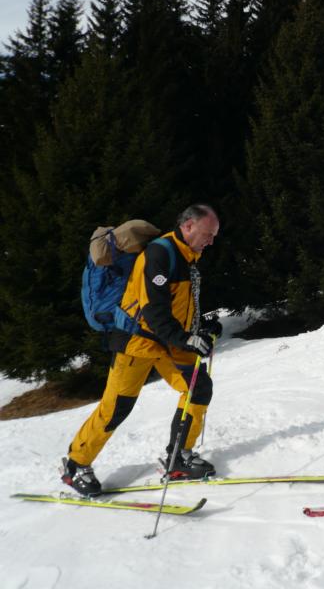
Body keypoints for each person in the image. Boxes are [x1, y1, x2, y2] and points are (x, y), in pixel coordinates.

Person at [61, 204, 224, 496]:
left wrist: (200, 328)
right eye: (207, 234)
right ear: (188, 226)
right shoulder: (160, 255)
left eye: (214, 235)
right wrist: (185, 339)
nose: (211, 241)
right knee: (116, 407)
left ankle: (179, 458)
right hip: (137, 341)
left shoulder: (188, 256)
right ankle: (75, 465)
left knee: (198, 388)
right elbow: (154, 310)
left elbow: (181, 304)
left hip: (169, 340)